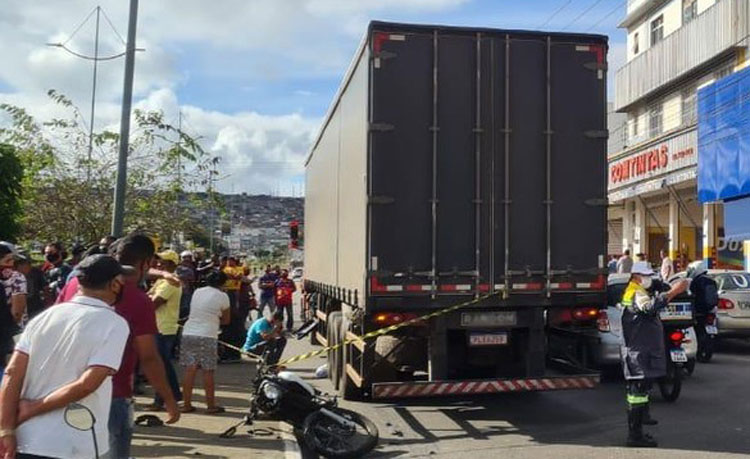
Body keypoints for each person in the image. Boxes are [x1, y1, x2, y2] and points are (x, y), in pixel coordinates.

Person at [56, 233, 180, 458]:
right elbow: (149, 357)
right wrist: (169, 399)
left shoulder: (75, 284)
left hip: (62, 391)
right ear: (144, 264)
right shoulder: (140, 300)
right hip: (113, 395)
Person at [0, 255, 130, 459]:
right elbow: (88, 384)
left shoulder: (45, 317)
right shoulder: (114, 324)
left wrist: (5, 429)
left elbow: (12, 372)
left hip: (26, 440)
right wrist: (32, 408)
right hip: (73, 443)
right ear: (114, 285)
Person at [620, 261, 688, 447]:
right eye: (646, 275)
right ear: (636, 276)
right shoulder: (637, 293)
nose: (649, 278)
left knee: (638, 392)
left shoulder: (637, 290)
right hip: (639, 351)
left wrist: (665, 285)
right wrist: (675, 291)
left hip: (640, 349)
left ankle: (639, 427)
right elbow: (649, 308)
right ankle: (635, 436)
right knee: (638, 392)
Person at [179, 270, 230, 414]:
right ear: (222, 283)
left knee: (190, 369)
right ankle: (211, 405)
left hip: (189, 332)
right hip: (208, 334)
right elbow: (226, 320)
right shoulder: (223, 296)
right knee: (208, 371)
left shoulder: (198, 292)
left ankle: (186, 404)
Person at [145, 250, 183, 412]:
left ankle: (161, 399)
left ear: (173, 265)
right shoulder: (162, 280)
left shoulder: (169, 283)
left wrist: (145, 299)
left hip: (163, 328)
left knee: (160, 366)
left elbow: (153, 303)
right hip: (159, 326)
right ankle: (173, 395)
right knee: (164, 365)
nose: (159, 264)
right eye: (159, 261)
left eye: (164, 262)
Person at [220, 257, 244, 362]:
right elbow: (227, 276)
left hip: (234, 291)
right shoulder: (225, 268)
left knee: (233, 313)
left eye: (232, 260)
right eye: (228, 260)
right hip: (227, 290)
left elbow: (239, 276)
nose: (229, 262)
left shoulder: (239, 268)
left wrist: (233, 277)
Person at [0, 243, 27, 327]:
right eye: (7, 261)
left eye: (13, 260)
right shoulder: (16, 277)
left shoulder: (16, 278)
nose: (11, 264)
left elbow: (17, 314)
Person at [176, 251, 197, 318]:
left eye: (189, 258)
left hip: (187, 291)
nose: (187, 260)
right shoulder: (177, 268)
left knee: (186, 307)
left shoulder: (191, 269)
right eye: (185, 258)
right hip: (178, 290)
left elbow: (192, 279)